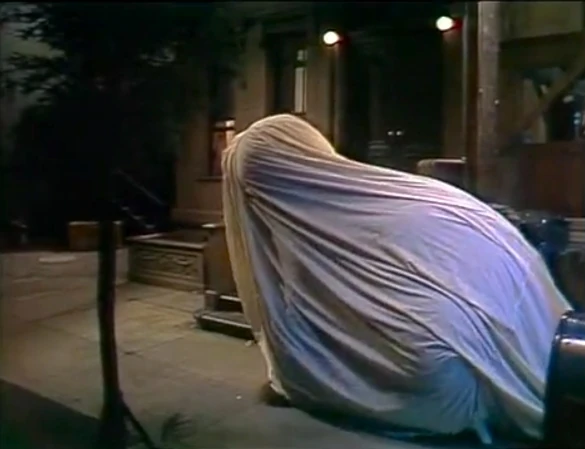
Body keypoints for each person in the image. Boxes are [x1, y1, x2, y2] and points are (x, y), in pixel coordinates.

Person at [221, 114, 572, 443]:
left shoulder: (361, 215)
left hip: (471, 363)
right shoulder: (407, 197)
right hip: (541, 335)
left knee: (441, 370)